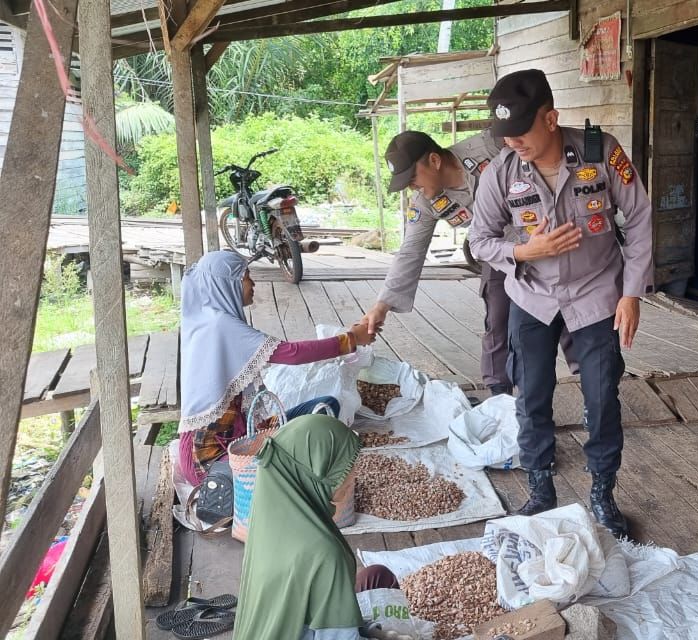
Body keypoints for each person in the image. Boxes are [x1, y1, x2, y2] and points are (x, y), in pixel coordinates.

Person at [468, 69, 655, 539]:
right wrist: (524, 251)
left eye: (521, 131)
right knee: (531, 397)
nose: (512, 142)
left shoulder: (602, 151)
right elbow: (479, 239)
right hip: (531, 297)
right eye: (504, 134)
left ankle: (602, 492)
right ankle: (540, 488)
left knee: (601, 396)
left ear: (551, 118)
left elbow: (638, 218)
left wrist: (632, 293)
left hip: (597, 295)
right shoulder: (501, 172)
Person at [358, 128, 574, 397]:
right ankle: (500, 399)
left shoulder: (490, 145)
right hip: (501, 254)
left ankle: (590, 388)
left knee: (570, 315)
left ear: (434, 161)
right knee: (497, 322)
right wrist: (382, 306)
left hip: (550, 241)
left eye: (412, 177)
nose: (412, 187)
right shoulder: (427, 202)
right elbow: (410, 253)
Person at [176, 250, 375, 486]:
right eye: (246, 276)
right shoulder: (219, 324)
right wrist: (350, 340)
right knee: (309, 443)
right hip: (211, 463)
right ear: (228, 284)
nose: (253, 283)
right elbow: (292, 354)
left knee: (326, 406)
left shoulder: (210, 319)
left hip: (237, 439)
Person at [235, 414, 399, 639]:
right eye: (343, 466)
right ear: (315, 473)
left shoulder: (269, 519)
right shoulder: (324, 554)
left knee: (377, 576)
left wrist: (371, 630)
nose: (353, 474)